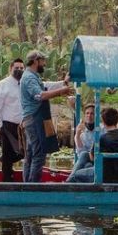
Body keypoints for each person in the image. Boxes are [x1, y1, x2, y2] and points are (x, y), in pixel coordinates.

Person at [20, 49, 74, 183]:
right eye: (43, 61)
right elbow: (41, 95)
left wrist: (63, 82)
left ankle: (27, 185)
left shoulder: (32, 76)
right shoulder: (29, 77)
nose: (44, 64)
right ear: (35, 61)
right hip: (33, 119)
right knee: (39, 154)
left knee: (32, 154)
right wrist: (62, 91)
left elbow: (45, 86)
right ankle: (33, 187)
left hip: (31, 119)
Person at [67, 107, 118, 183]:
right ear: (117, 120)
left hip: (105, 176)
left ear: (103, 122)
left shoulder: (102, 138)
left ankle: (67, 185)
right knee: (87, 164)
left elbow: (92, 158)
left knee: (76, 174)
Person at [0, 58, 25, 182]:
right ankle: (6, 179)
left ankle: (11, 171)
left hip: (21, 126)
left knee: (23, 152)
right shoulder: (2, 85)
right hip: (6, 124)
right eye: (17, 68)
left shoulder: (24, 84)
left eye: (21, 68)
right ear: (10, 69)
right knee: (7, 154)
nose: (19, 70)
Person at [70, 103, 96, 178]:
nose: (89, 116)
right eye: (87, 113)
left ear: (96, 116)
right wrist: (77, 135)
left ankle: (70, 180)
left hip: (96, 159)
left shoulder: (101, 129)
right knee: (88, 164)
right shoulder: (81, 131)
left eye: (92, 113)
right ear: (84, 115)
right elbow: (80, 151)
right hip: (85, 161)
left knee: (85, 154)